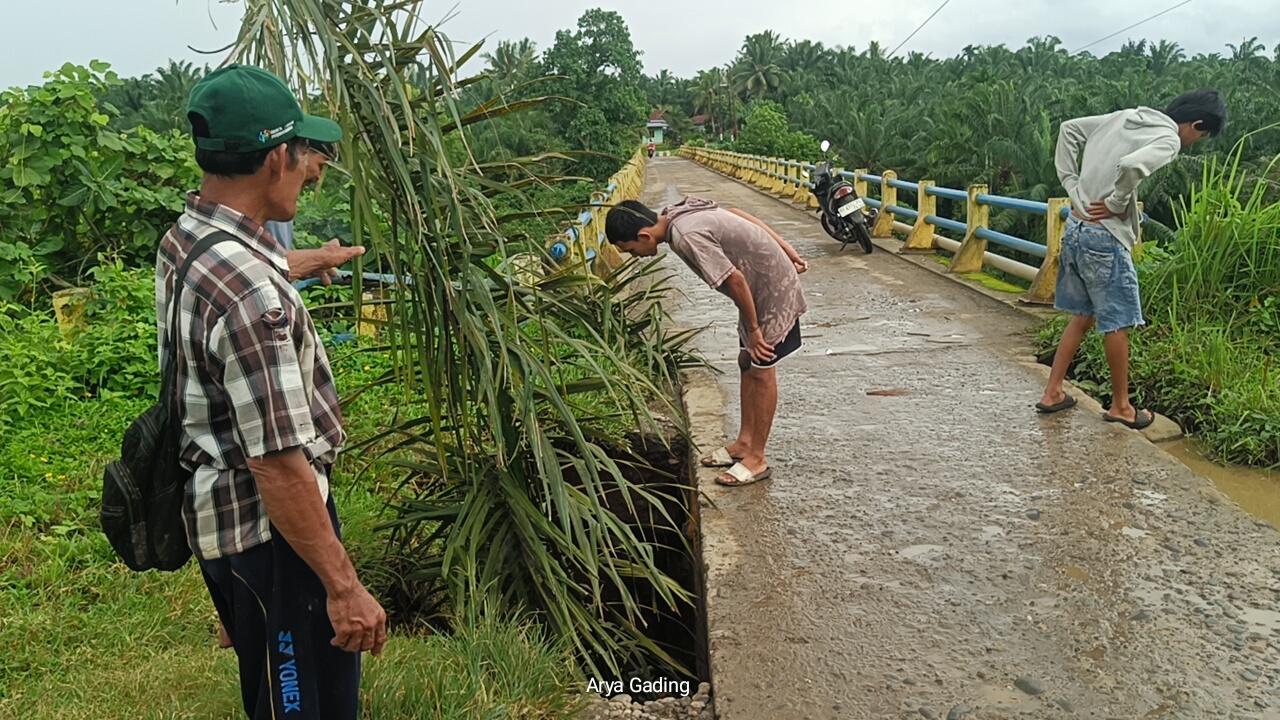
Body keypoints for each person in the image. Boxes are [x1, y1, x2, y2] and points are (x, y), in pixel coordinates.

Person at [159, 63, 384, 718]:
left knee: (274, 689)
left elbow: (251, 269)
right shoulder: (254, 300)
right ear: (277, 157)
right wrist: (341, 587)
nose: (313, 168)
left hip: (222, 526)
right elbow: (279, 463)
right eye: (306, 153)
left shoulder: (187, 241)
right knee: (307, 705)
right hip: (273, 538)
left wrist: (319, 258)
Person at [1036, 88, 1227, 428]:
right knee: (1119, 323)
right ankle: (1121, 407)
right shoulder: (1168, 139)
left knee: (1083, 315)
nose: (1195, 142)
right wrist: (1115, 201)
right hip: (1105, 237)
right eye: (1201, 135)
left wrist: (1072, 184)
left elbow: (1069, 129)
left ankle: (1053, 392)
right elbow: (1131, 165)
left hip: (1076, 226)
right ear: (1195, 123)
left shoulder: (1126, 117)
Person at [605, 197, 807, 486]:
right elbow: (738, 211)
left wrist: (753, 329)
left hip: (770, 289)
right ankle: (744, 442)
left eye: (631, 250)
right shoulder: (674, 213)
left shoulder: (686, 236)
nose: (635, 256)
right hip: (756, 288)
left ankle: (757, 458)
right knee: (745, 361)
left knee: (762, 368)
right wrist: (786, 249)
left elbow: (735, 279)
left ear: (643, 235)